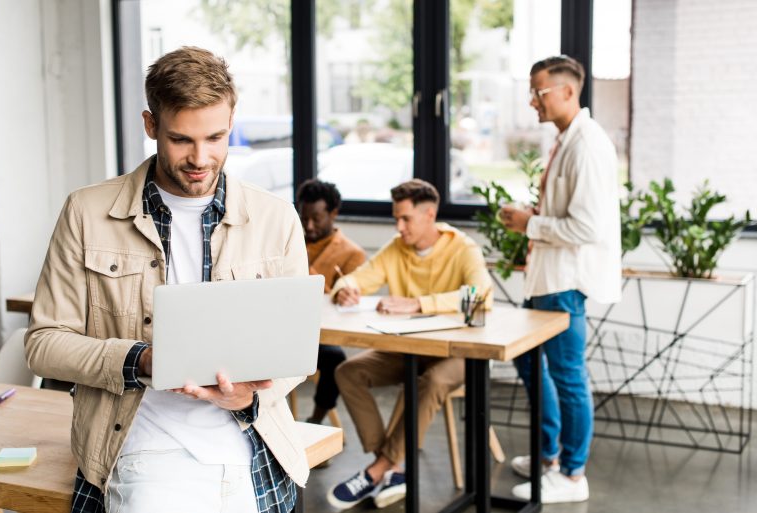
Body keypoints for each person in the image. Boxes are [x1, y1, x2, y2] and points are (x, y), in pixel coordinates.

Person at [25, 47, 309, 513]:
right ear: (150, 125)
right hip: (141, 455)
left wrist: (246, 397)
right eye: (181, 139)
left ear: (231, 121)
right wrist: (142, 360)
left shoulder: (276, 218)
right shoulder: (86, 213)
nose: (201, 158)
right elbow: (44, 344)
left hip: (253, 453)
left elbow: (296, 351)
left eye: (216, 137)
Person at [326, 179, 493, 510]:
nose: (398, 227)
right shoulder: (396, 248)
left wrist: (419, 304)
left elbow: (482, 295)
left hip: (457, 353)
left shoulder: (463, 248)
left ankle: (377, 470)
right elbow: (359, 277)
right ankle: (391, 466)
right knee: (348, 372)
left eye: (405, 219)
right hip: (409, 349)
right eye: (396, 219)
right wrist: (344, 289)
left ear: (429, 214)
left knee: (432, 381)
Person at [500, 55, 622, 504]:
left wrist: (528, 223)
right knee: (530, 363)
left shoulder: (587, 145)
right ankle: (548, 456)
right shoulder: (567, 139)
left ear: (568, 91)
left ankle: (572, 475)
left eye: (539, 92)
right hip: (547, 279)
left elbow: (587, 228)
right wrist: (533, 218)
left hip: (565, 283)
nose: (532, 101)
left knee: (568, 377)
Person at [296, 179, 366, 425]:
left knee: (336, 359)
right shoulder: (290, 241)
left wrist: (310, 276)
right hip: (281, 329)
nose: (309, 226)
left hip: (318, 335)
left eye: (316, 218)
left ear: (333, 214)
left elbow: (347, 307)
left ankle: (315, 420)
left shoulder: (352, 254)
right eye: (304, 218)